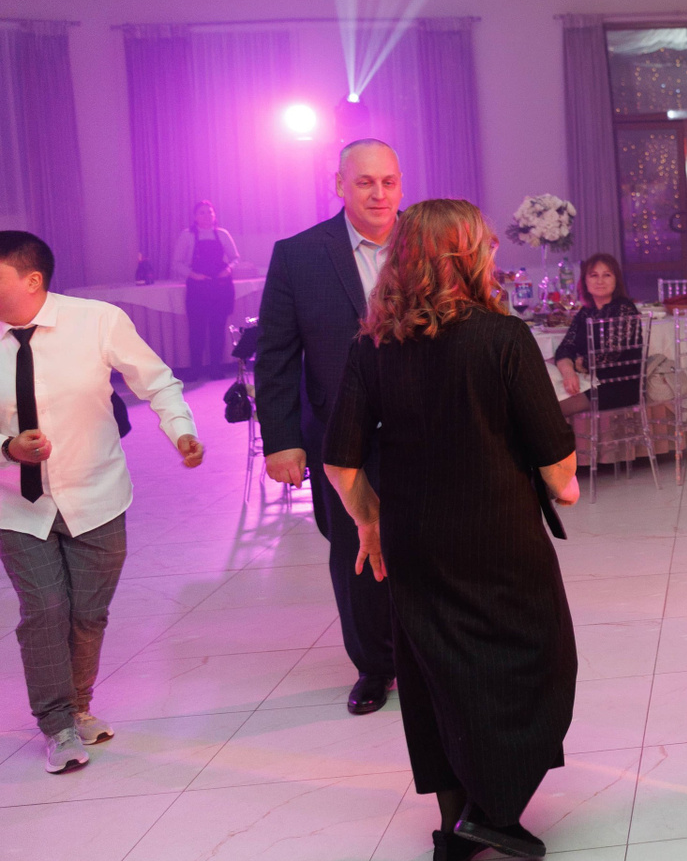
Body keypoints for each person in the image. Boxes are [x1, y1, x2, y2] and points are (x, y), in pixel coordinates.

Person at [325, 199, 579, 861]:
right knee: (537, 660)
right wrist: (565, 485)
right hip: (500, 535)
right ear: (465, 256)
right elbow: (556, 461)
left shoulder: (372, 345)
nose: (493, 253)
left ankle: (455, 826)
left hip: (415, 537)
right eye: (485, 245)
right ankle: (493, 810)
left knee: (436, 673)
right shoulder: (503, 338)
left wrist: (370, 522)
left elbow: (340, 462)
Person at [0, 231, 204, 775]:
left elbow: (157, 382)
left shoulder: (98, 321)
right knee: (45, 609)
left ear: (32, 280)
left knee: (88, 613)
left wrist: (181, 430)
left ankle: (79, 705)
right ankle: (57, 723)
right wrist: (7, 447)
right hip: (16, 505)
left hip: (97, 495)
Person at [254, 139, 401, 714]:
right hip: (342, 435)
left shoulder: (428, 243)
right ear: (339, 184)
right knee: (356, 550)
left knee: (429, 544)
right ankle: (375, 665)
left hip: (427, 426)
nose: (379, 193)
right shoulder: (299, 255)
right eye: (365, 182)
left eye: (389, 181)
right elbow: (276, 355)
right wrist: (283, 440)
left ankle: (429, 653)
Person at [552, 252, 643, 418]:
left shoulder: (624, 308)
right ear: (585, 281)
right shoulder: (586, 312)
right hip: (588, 381)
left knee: (547, 409)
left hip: (616, 386)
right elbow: (564, 348)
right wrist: (569, 372)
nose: (600, 281)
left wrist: (580, 363)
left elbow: (608, 355)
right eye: (594, 275)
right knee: (539, 394)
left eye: (607, 275)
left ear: (616, 280)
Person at [172, 200, 240, 381]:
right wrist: (193, 275)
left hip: (220, 287)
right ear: (195, 217)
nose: (207, 216)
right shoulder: (187, 235)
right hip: (197, 287)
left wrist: (229, 269)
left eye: (210, 212)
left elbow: (235, 258)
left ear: (214, 215)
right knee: (197, 330)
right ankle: (195, 369)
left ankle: (215, 368)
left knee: (218, 329)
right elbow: (177, 263)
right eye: (202, 212)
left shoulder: (222, 234)